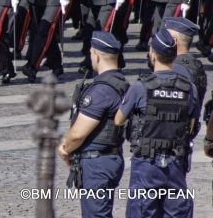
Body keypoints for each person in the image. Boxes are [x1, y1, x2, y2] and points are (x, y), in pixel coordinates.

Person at [115, 28, 198, 218]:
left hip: (147, 162)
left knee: (142, 210)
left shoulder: (140, 87)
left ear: (152, 53)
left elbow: (119, 120)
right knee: (176, 212)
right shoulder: (189, 88)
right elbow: (191, 124)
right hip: (176, 161)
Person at [58, 31, 128, 218]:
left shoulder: (102, 90)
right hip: (111, 157)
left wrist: (65, 148)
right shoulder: (122, 84)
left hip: (97, 163)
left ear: (96, 54)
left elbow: (78, 134)